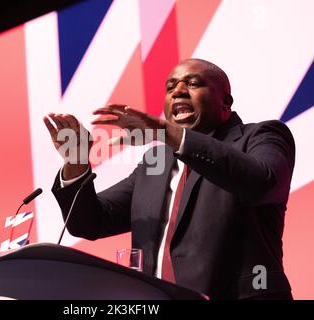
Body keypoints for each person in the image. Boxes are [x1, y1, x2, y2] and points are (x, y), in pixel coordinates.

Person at [43, 58, 295, 300]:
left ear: (226, 102)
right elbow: (90, 222)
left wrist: (164, 131)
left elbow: (261, 182)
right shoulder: (156, 163)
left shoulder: (261, 135)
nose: (179, 91)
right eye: (170, 87)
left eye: (193, 83)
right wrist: (76, 164)